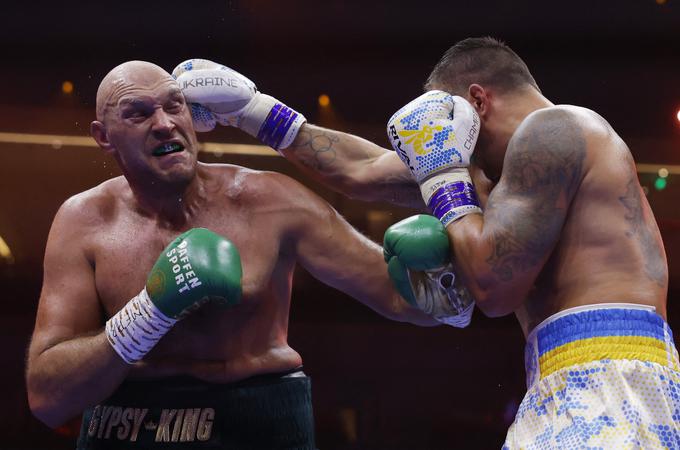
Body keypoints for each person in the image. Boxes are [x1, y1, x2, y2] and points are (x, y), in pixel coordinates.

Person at [177, 37, 679, 448]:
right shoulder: (492, 171)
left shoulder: (556, 130)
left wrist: (443, 177)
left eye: (452, 124)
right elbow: (363, 170)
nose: (449, 147)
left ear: (478, 101)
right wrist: (254, 111)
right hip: (565, 371)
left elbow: (494, 288)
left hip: (612, 369)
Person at [25, 60, 458, 450]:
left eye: (174, 106)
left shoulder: (267, 200)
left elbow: (411, 302)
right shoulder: (83, 221)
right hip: (125, 428)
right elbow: (47, 397)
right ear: (104, 137)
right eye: (138, 113)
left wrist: (438, 273)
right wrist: (148, 314)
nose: (164, 124)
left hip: (256, 424)